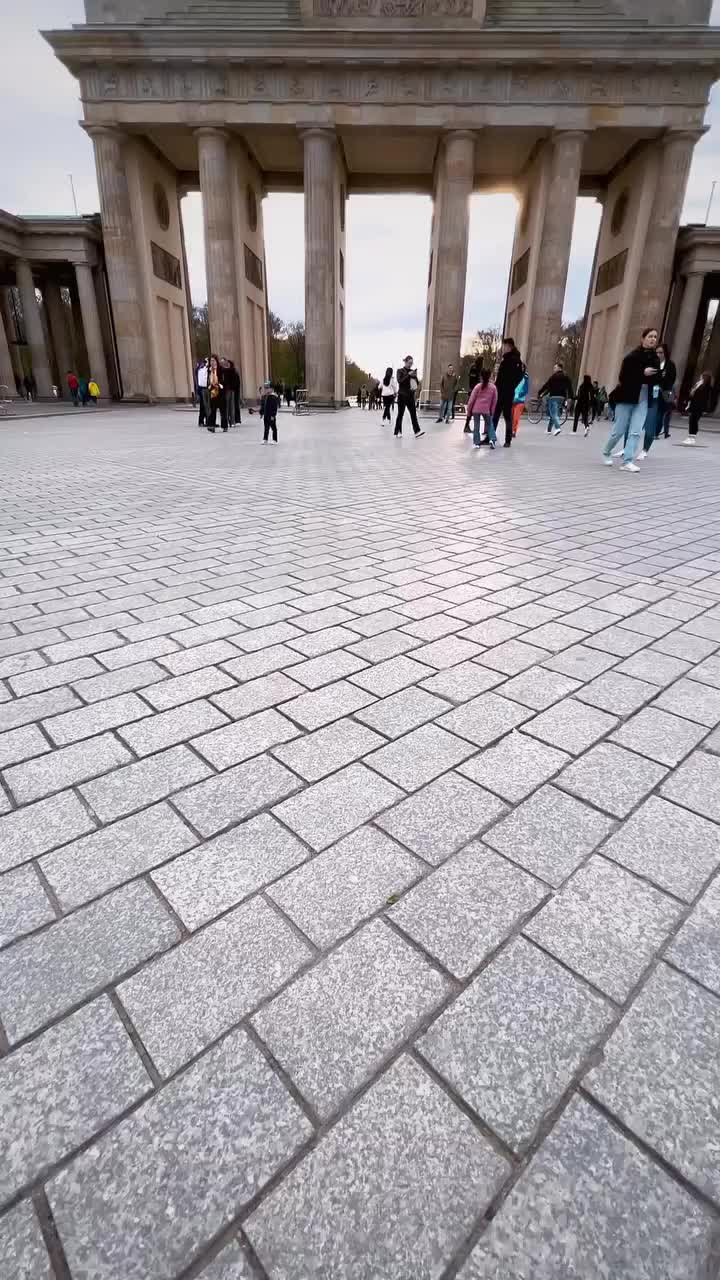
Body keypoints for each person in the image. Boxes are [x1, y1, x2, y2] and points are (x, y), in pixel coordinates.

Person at [602, 327, 660, 472]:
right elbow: (623, 378)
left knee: (636, 431)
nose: (653, 339)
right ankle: (606, 451)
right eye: (650, 336)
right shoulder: (631, 357)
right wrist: (642, 373)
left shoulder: (655, 359)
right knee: (619, 430)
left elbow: (657, 379)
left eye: (655, 337)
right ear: (643, 338)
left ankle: (627, 461)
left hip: (644, 396)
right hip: (627, 395)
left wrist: (658, 379)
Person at [493, 337, 524, 448]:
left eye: (504, 346)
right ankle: (491, 437)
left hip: (506, 392)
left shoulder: (514, 360)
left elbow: (519, 376)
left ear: (509, 346)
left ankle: (507, 439)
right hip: (501, 391)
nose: (503, 348)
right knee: (496, 415)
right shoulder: (506, 359)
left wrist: (510, 385)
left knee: (507, 416)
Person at [537, 362, 573, 435]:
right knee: (553, 414)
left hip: (554, 397)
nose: (554, 369)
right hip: (562, 397)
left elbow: (546, 386)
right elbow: (569, 388)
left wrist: (540, 393)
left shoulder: (553, 377)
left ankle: (557, 427)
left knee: (553, 414)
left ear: (559, 368)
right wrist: (570, 397)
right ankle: (549, 430)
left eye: (555, 368)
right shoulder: (566, 377)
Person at [466, 369, 498, 449]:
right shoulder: (493, 387)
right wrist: (492, 412)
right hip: (486, 409)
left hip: (476, 409)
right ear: (490, 376)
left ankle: (477, 443)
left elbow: (471, 400)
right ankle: (492, 439)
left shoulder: (477, 386)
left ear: (481, 376)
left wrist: (469, 411)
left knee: (476, 426)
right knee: (490, 424)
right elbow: (494, 401)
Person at [395, 355, 424, 438]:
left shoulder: (412, 371)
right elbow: (400, 381)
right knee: (400, 414)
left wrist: (415, 376)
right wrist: (408, 374)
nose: (410, 365)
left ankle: (417, 431)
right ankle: (398, 431)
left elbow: (417, 384)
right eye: (409, 363)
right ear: (405, 362)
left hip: (411, 395)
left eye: (411, 363)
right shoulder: (399, 371)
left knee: (413, 414)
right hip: (402, 395)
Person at [684, 371, 713, 445]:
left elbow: (706, 399)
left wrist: (705, 409)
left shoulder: (707, 387)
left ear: (704, 377)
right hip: (693, 405)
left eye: (702, 376)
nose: (700, 377)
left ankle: (692, 437)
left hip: (699, 407)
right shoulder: (698, 383)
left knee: (694, 421)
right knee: (691, 420)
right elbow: (692, 393)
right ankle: (690, 437)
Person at [206, 354, 227, 432]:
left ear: (216, 361)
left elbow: (224, 380)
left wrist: (220, 384)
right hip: (213, 392)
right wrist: (209, 386)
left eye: (213, 360)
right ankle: (211, 426)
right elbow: (207, 380)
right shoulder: (209, 370)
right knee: (213, 410)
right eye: (211, 361)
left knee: (223, 410)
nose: (212, 362)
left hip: (220, 391)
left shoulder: (221, 369)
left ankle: (224, 426)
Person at [512, 362, 530, 438]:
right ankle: (510, 430)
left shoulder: (525, 377)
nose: (520, 368)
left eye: (522, 367)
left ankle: (514, 431)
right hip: (511, 400)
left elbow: (526, 389)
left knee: (516, 417)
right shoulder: (513, 375)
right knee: (511, 417)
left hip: (520, 401)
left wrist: (518, 396)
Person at [464, 358, 481, 433]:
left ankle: (468, 426)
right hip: (474, 391)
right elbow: (473, 381)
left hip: (473, 391)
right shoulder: (475, 368)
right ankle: (467, 426)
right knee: (472, 410)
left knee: (472, 410)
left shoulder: (475, 368)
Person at [224, 360, 241, 427]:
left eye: (228, 364)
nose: (227, 365)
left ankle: (233, 421)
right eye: (226, 364)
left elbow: (237, 382)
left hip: (232, 391)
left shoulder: (234, 372)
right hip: (226, 391)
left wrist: (232, 387)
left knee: (232, 407)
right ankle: (227, 421)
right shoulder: (224, 371)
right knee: (226, 407)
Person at [196, 358, 209, 426]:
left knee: (205, 406)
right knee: (204, 406)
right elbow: (202, 380)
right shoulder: (202, 369)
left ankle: (205, 420)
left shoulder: (201, 369)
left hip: (203, 388)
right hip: (203, 389)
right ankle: (202, 421)